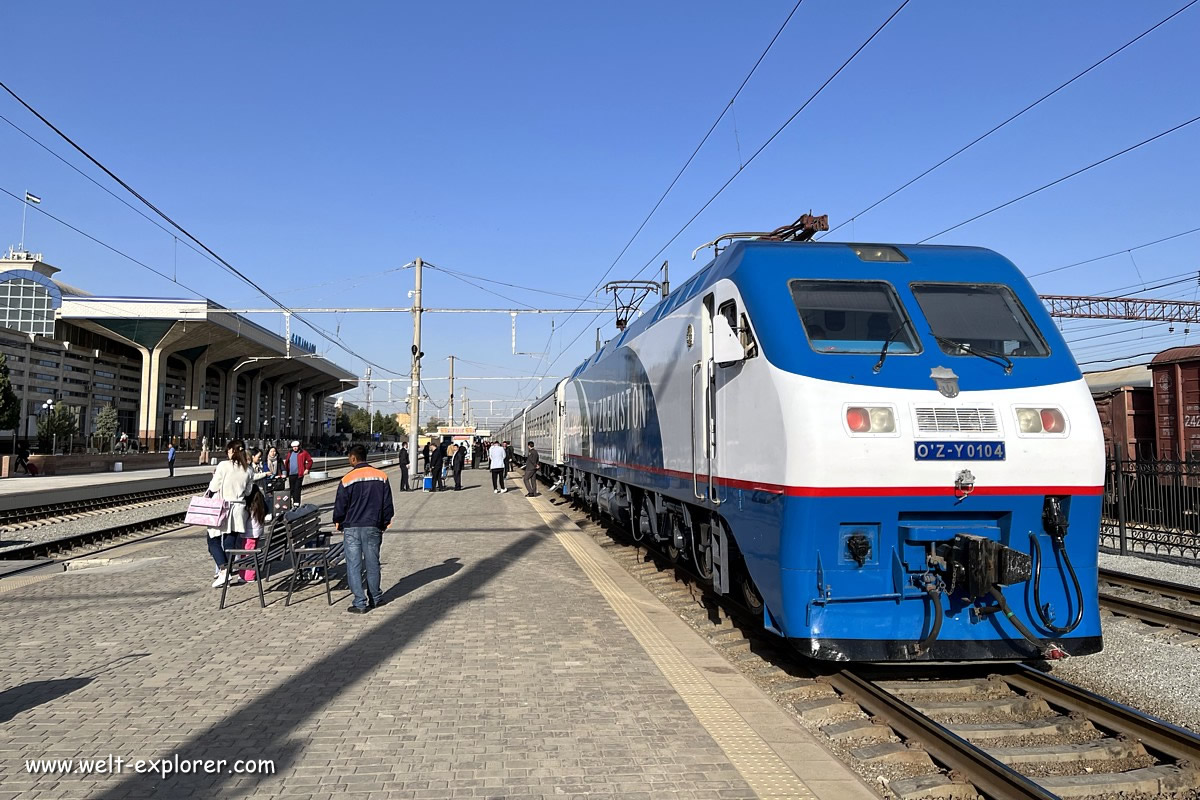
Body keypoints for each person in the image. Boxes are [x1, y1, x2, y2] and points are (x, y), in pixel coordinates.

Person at [333, 444, 394, 614]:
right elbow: (387, 504)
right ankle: (376, 598)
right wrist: (384, 523)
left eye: (349, 458)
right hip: (373, 526)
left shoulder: (347, 479)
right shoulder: (381, 476)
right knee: (373, 563)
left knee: (354, 565)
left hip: (352, 527)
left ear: (353, 458)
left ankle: (360, 603)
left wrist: (338, 522)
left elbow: (340, 506)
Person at [206, 439, 253, 588]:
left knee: (212, 540)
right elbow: (248, 491)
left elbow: (213, 486)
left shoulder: (223, 466)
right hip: (238, 510)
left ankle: (223, 570)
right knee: (229, 542)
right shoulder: (248, 469)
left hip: (222, 508)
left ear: (232, 451)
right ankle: (227, 571)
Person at [284, 440, 313, 506]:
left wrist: (307, 469)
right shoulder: (290, 453)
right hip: (291, 474)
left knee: (297, 489)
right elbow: (287, 462)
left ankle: (296, 503)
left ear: (299, 446)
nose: (295, 448)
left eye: (296, 447)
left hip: (299, 474)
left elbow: (310, 461)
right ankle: (293, 503)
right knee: (292, 489)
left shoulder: (303, 453)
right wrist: (285, 472)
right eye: (293, 447)